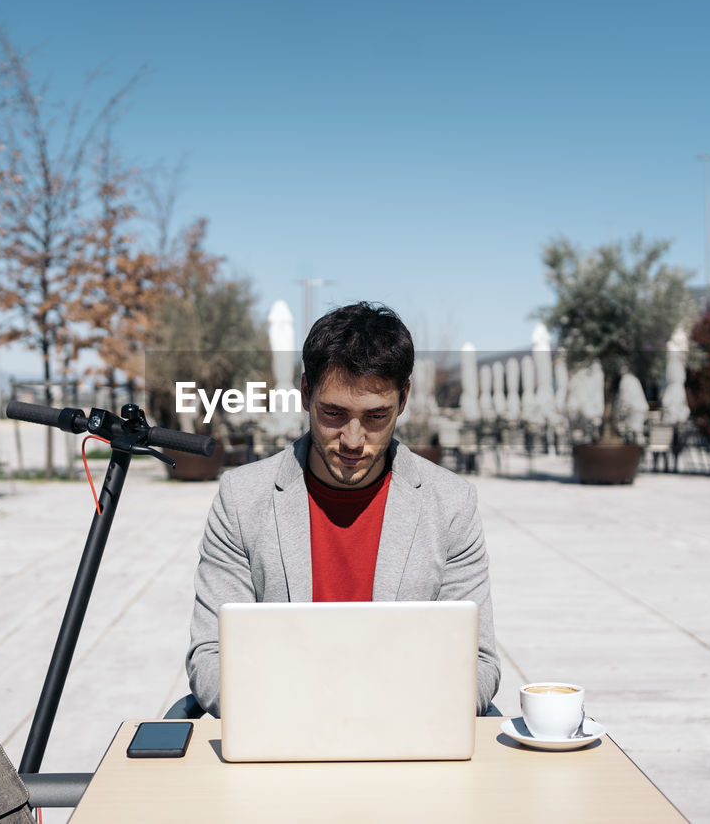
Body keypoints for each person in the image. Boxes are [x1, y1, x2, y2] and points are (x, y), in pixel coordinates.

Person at [184, 301, 500, 717]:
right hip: (282, 738)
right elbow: (210, 656)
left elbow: (478, 663)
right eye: (334, 413)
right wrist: (309, 715)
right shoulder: (242, 499)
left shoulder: (451, 505)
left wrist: (381, 714)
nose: (353, 439)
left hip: (405, 735)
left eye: (375, 416)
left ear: (403, 399)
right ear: (304, 393)